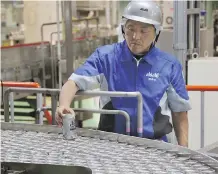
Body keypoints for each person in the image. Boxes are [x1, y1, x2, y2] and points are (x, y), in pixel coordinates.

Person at [56, 1, 191, 147]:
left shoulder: (169, 65)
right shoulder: (106, 57)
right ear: (123, 28)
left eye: (144, 31)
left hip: (156, 146)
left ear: (156, 32)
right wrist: (63, 104)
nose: (135, 36)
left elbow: (180, 113)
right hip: (111, 144)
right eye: (130, 28)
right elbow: (73, 82)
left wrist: (184, 152)